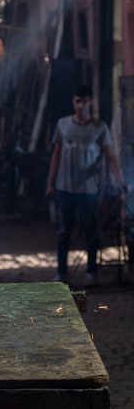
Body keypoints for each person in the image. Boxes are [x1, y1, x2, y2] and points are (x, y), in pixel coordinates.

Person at [45, 83, 125, 286]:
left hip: (89, 191)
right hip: (65, 188)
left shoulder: (99, 128)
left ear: (90, 102)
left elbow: (110, 156)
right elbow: (56, 154)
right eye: (77, 101)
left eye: (84, 101)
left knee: (91, 231)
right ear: (74, 101)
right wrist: (50, 183)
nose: (80, 105)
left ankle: (91, 272)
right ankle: (61, 272)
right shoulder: (63, 125)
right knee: (64, 232)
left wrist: (120, 181)